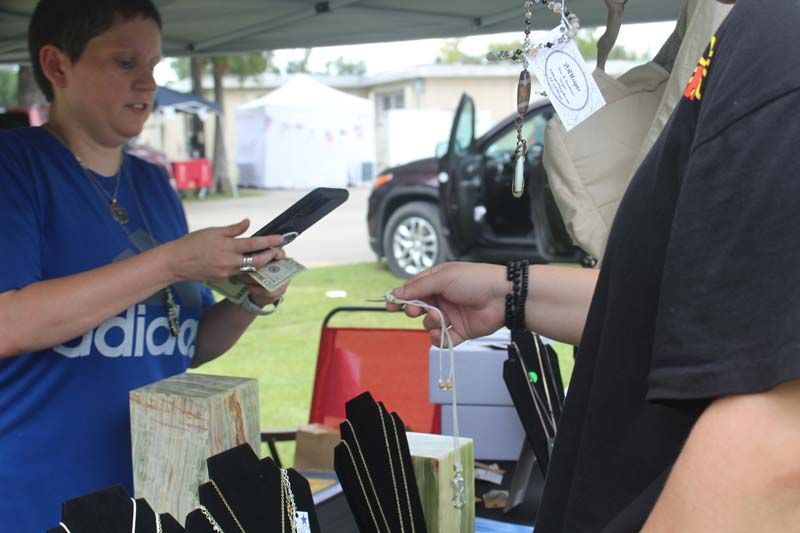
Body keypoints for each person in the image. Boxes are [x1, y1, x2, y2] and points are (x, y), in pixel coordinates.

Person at [390, 0, 800, 531]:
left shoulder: (783, 37)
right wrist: (510, 293)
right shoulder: (758, 31)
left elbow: (774, 446)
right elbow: (700, 313)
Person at [0, 1, 292, 529]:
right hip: (38, 499)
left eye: (155, 67)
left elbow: (184, 346)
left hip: (157, 491)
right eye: (125, 63)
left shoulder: (154, 184)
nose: (147, 85)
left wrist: (250, 298)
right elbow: (9, 323)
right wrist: (172, 262)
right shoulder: (14, 165)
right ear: (57, 66)